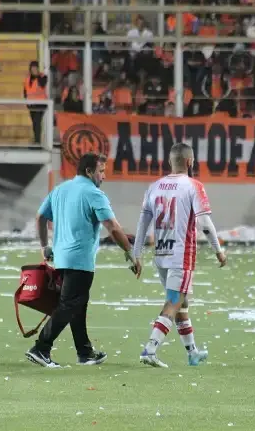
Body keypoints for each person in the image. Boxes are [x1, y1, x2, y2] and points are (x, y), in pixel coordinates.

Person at [26, 153, 138, 368]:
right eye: (101, 171)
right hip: (80, 259)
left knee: (77, 305)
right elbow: (112, 226)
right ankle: (41, 347)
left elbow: (40, 217)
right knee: (69, 305)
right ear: (89, 171)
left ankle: (84, 353)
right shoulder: (94, 194)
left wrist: (44, 246)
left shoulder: (60, 190)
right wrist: (130, 252)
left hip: (61, 257)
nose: (103, 176)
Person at [132, 143, 226, 368]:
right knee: (174, 302)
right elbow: (204, 222)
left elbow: (143, 223)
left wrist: (136, 254)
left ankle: (192, 352)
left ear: (170, 162)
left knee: (182, 302)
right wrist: (218, 250)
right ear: (190, 162)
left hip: (161, 253)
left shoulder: (154, 187)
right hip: (181, 254)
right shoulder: (193, 186)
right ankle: (150, 349)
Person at [23, 61, 48, 144]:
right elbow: (25, 91)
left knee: (37, 122)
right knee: (34, 123)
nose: (34, 69)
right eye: (32, 68)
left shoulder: (43, 77)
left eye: (35, 68)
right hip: (31, 105)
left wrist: (37, 75)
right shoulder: (27, 79)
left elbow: (42, 84)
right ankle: (36, 140)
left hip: (40, 104)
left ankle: (38, 142)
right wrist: (27, 102)